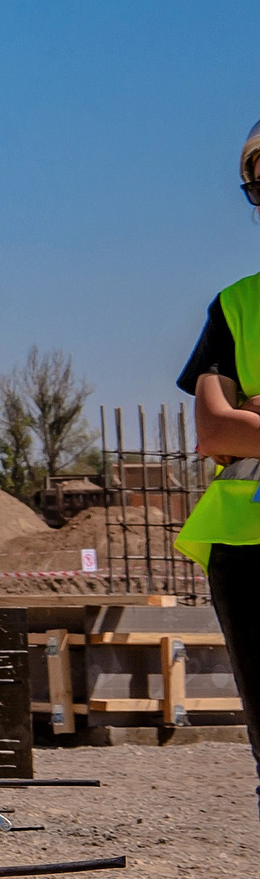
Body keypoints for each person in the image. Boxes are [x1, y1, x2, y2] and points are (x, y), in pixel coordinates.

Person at [171, 119, 260, 815]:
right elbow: (213, 429)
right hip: (247, 547)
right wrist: (236, 421)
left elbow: (240, 426)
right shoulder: (236, 305)